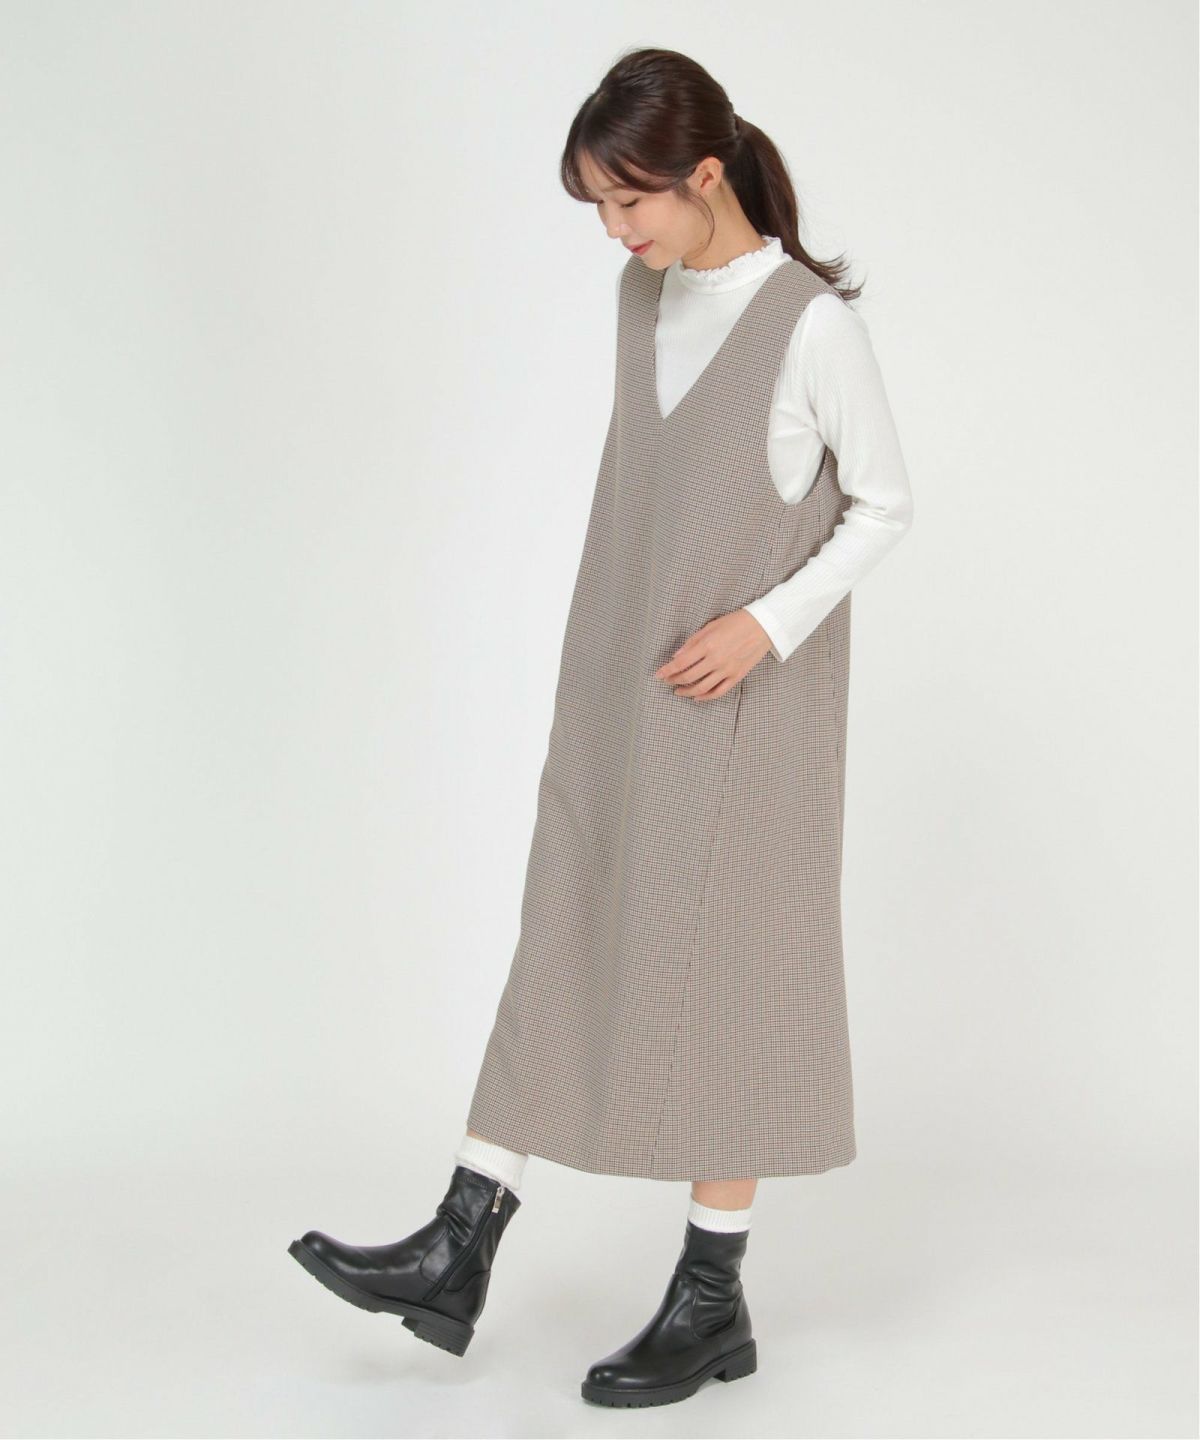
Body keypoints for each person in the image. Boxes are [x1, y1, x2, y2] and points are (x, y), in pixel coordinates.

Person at [288, 45, 913, 1408]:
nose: (614, 231)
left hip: (744, 707)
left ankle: (710, 1300)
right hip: (622, 682)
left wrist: (766, 626)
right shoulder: (646, 296)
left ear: (705, 175)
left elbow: (885, 504)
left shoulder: (809, 324)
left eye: (629, 201)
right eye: (597, 206)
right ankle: (460, 1242)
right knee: (566, 914)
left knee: (736, 974)